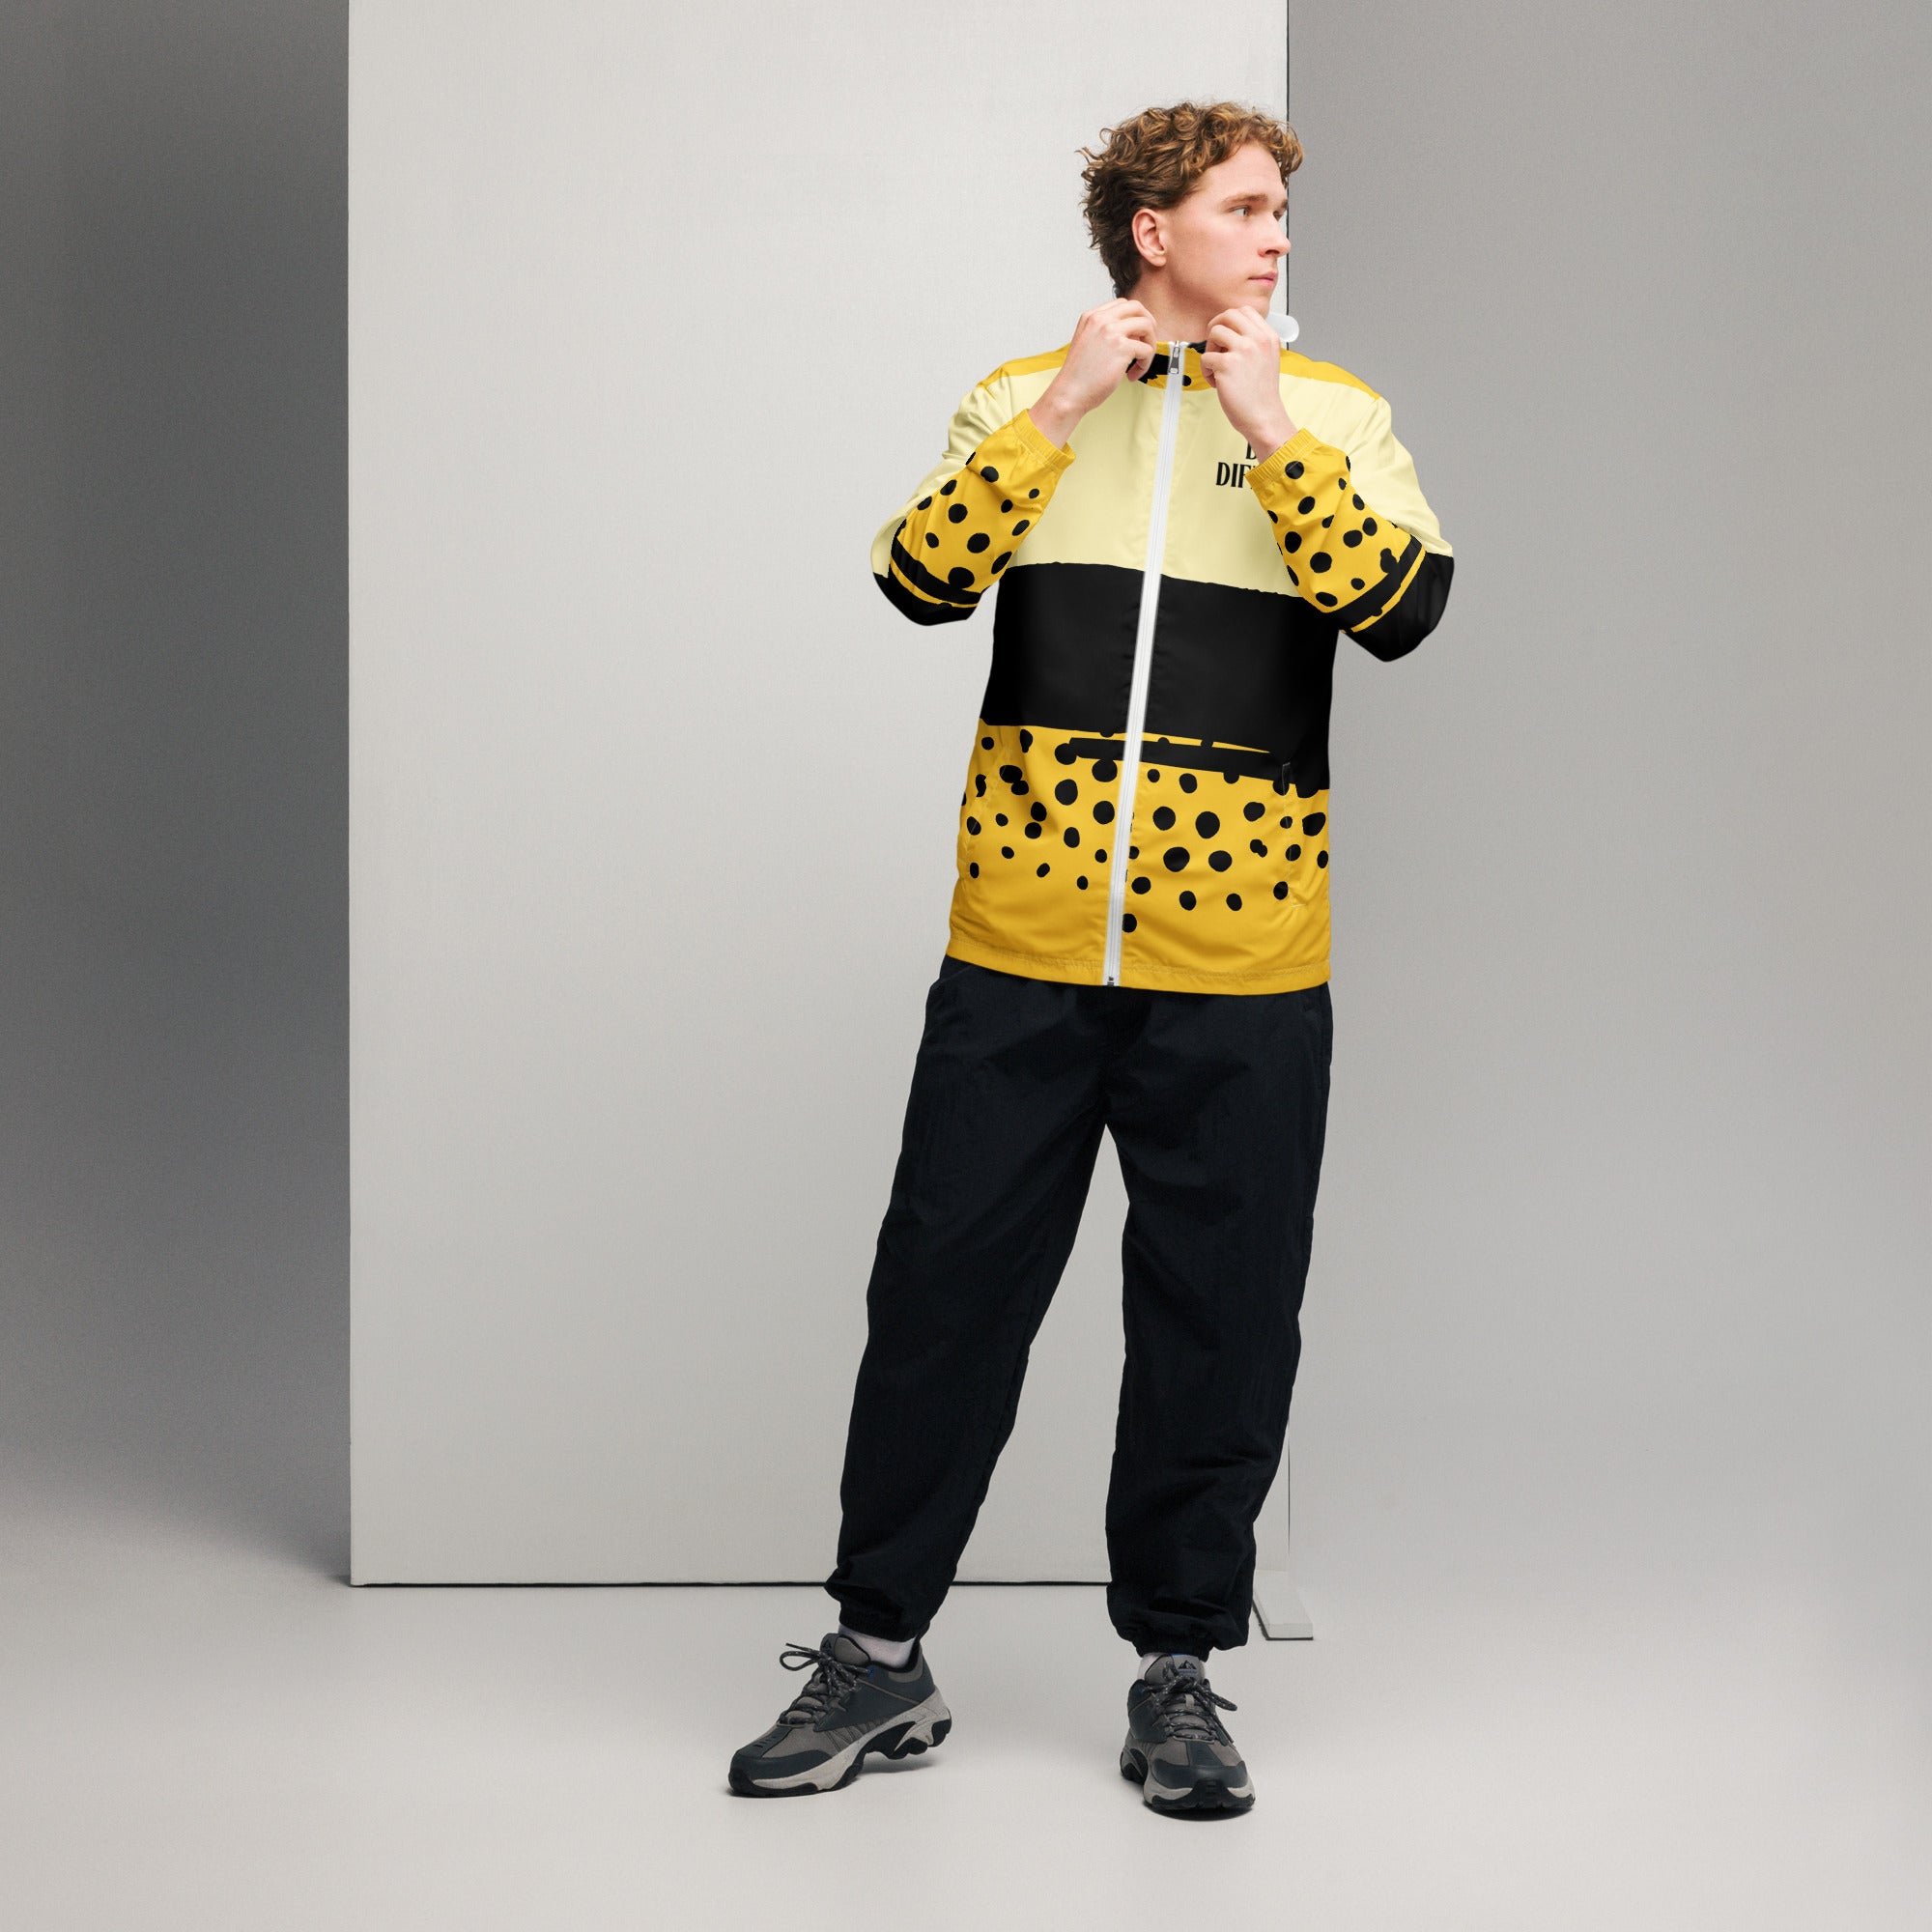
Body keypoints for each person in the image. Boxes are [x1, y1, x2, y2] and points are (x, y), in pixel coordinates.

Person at [727, 99, 1453, 1816]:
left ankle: (1179, 1674)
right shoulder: (1019, 396)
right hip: (1022, 953)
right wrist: (1060, 409)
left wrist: (1275, 434)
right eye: (1246, 208)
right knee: (941, 1302)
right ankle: (879, 1659)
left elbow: (1401, 612)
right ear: (1153, 228)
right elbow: (921, 577)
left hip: (1246, 969)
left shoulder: (1338, 412)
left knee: (1220, 1323)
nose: (1276, 237)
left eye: (1278, 212)